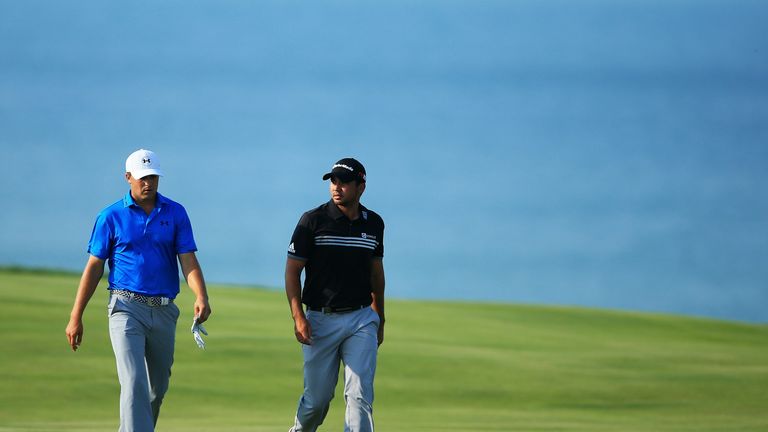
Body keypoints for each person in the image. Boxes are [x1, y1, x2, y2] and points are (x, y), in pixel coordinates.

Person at [65, 149, 211, 432]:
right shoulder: (110, 216)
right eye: (143, 178)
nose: (148, 183)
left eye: (153, 177)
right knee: (133, 383)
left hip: (164, 310)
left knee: (156, 389)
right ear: (128, 177)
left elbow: (188, 260)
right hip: (125, 308)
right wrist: (75, 316)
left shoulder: (176, 213)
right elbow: (94, 267)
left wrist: (201, 295)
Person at [285, 157, 386, 432]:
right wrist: (298, 317)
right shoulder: (312, 220)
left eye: (343, 182)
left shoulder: (374, 224)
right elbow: (292, 272)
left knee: (359, 396)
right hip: (320, 320)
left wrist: (380, 318)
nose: (336, 187)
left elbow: (376, 274)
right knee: (316, 402)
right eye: (333, 181)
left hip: (362, 319)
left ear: (361, 186)